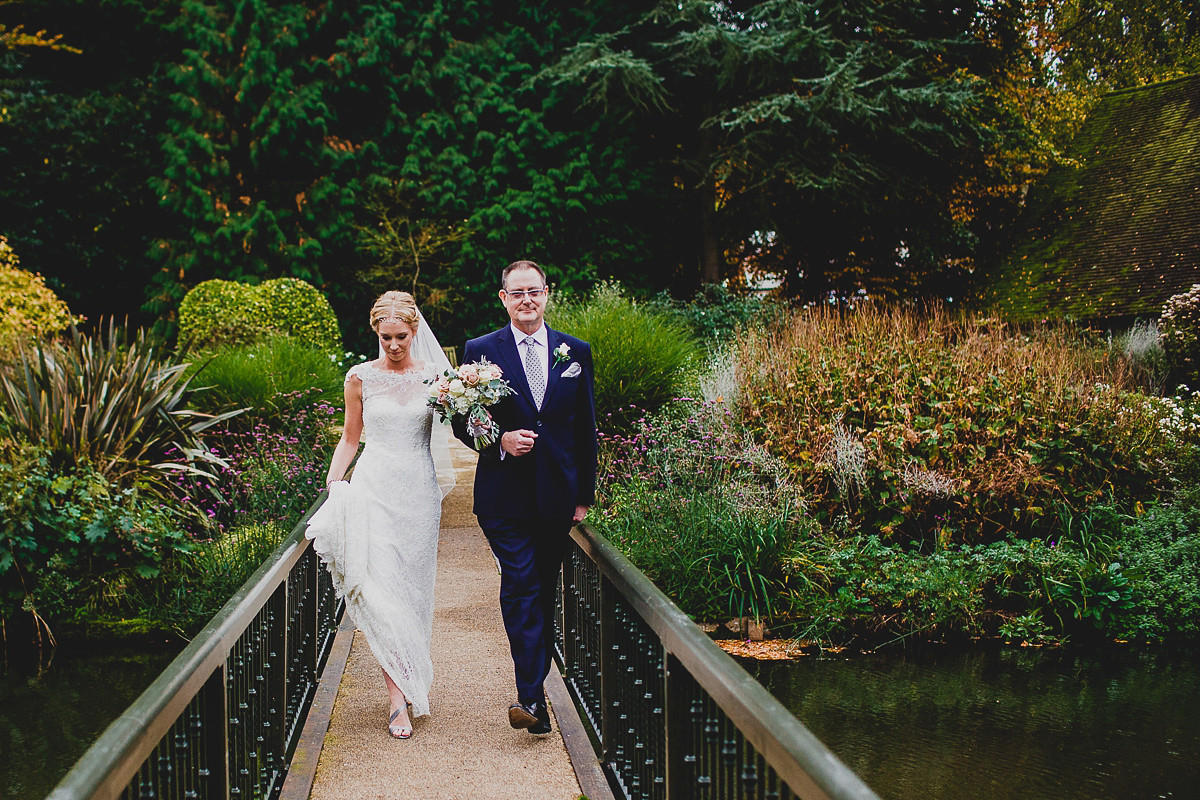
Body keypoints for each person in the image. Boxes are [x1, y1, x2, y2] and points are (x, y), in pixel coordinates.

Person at [452, 260, 597, 735]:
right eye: (517, 293)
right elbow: (459, 418)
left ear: (547, 294)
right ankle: (530, 698)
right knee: (520, 586)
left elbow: (584, 428)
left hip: (557, 497)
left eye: (534, 291)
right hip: (503, 499)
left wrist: (584, 497)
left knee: (543, 592)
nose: (526, 300)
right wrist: (498, 441)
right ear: (503, 298)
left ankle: (534, 697)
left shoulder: (575, 351)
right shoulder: (479, 351)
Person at [305, 290, 455, 740]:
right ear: (375, 332)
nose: (394, 345)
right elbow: (350, 439)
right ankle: (396, 699)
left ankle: (410, 677)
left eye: (402, 336)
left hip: (419, 496)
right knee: (382, 592)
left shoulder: (435, 377)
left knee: (412, 593)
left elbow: (460, 428)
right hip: (374, 490)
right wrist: (334, 486)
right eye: (386, 336)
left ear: (414, 332)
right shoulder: (359, 379)